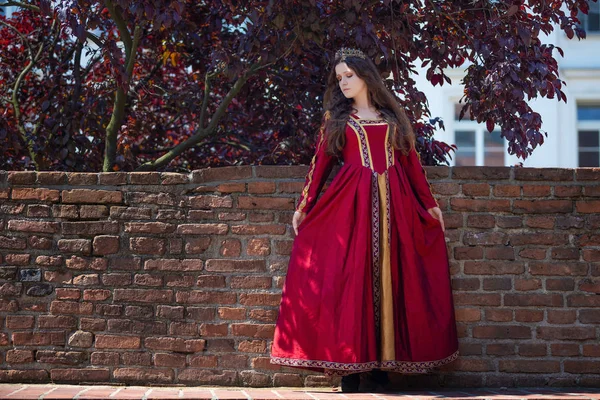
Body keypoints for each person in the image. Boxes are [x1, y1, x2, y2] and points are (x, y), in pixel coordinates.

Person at [270, 47, 459, 392]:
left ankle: (383, 365)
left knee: (393, 276)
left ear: (365, 76)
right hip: (350, 203)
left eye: (349, 76)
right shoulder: (337, 120)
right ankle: (350, 368)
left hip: (397, 204)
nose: (343, 83)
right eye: (338, 78)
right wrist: (304, 205)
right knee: (352, 279)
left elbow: (410, 162)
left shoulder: (392, 118)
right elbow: (320, 165)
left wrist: (429, 204)